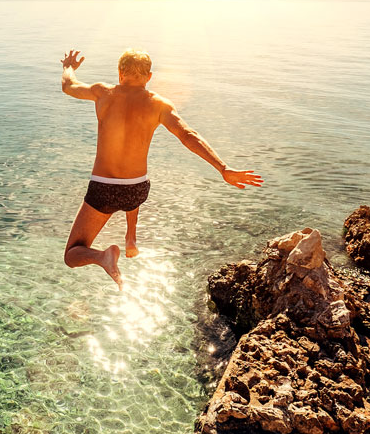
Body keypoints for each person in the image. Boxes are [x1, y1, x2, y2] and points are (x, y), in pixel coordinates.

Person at [61, 48, 262, 289]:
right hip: (136, 190)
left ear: (120, 72)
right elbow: (188, 135)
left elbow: (68, 85)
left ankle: (102, 257)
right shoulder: (159, 104)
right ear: (149, 76)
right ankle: (131, 236)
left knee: (72, 254)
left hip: (103, 190)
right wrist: (223, 168)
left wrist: (69, 66)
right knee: (133, 187)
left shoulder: (102, 92)